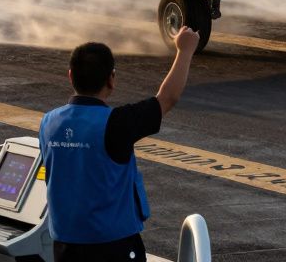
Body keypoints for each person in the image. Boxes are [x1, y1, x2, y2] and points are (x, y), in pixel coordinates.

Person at [39, 27, 199, 262]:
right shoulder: (116, 123)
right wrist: (185, 51)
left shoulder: (48, 122)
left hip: (65, 246)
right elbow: (167, 98)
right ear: (111, 80)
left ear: (70, 76)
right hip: (113, 246)